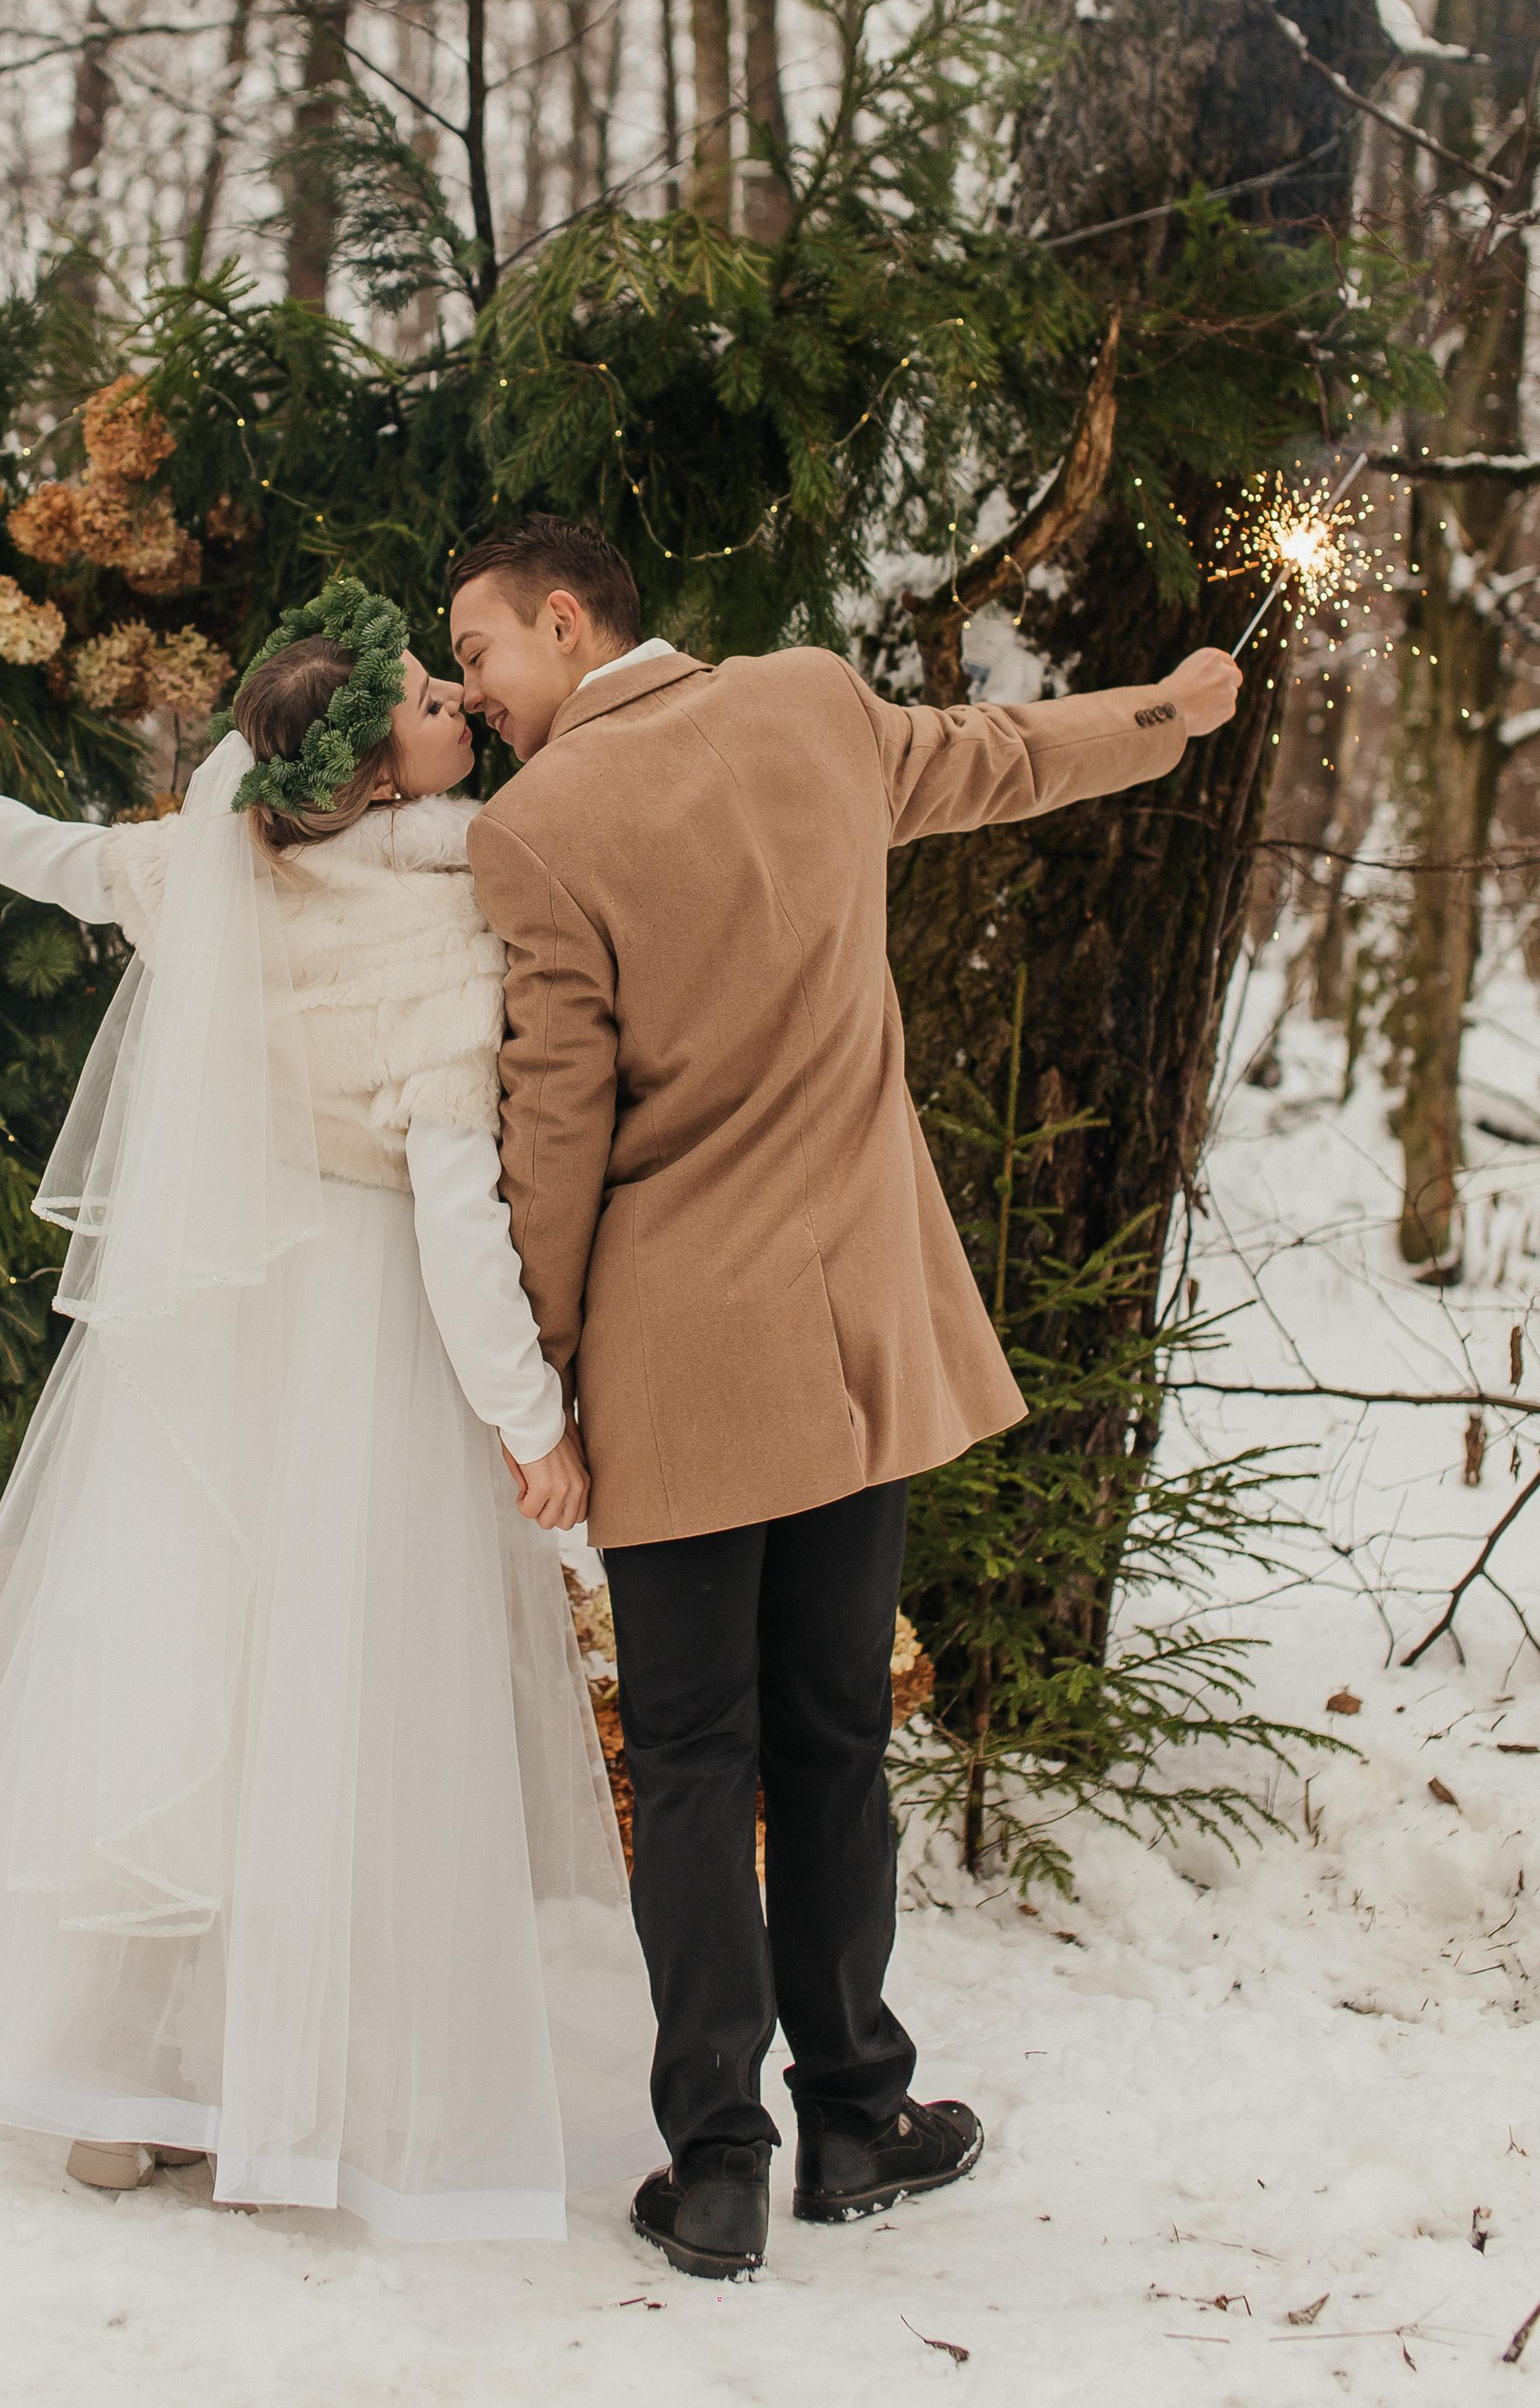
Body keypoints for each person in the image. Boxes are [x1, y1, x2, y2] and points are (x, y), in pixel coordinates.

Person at [0, 573, 656, 2240]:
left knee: (190, 1687)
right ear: (379, 775)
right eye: (421, 695)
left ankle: (119, 2084)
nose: (451, 700)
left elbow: (38, 852)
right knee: (340, 1706)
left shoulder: (210, 868)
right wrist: (529, 1422)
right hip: (368, 1334)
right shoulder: (451, 907)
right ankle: (290, 2090)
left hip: (223, 1321)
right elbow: (462, 1214)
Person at [446, 515, 1243, 2281]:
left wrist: (540, 1383)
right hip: (851, 1341)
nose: (476, 692)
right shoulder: (811, 705)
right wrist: (1167, 712)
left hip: (670, 1371)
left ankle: (718, 2164)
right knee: (827, 1740)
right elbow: (1001, 757)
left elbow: (551, 1131)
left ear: (564, 623)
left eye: (483, 652)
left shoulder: (533, 830)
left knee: (690, 1753)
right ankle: (860, 2119)